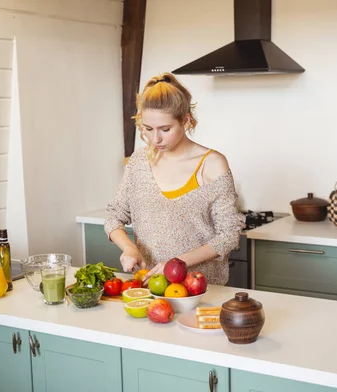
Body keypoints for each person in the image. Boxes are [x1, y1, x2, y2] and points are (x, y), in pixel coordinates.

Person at [104, 72, 245, 286]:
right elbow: (115, 216)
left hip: (201, 289)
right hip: (150, 286)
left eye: (165, 129)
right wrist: (129, 248)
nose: (156, 139)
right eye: (148, 129)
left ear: (185, 120)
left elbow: (229, 235)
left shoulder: (212, 164)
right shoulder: (139, 161)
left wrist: (177, 263)